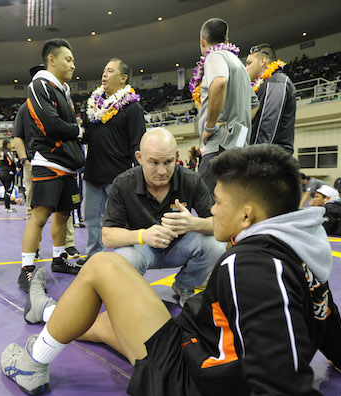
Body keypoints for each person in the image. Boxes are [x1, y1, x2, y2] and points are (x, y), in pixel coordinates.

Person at [0, 144, 341, 396]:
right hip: (199, 345)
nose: (214, 210)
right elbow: (324, 308)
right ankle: (49, 312)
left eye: (219, 203)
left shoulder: (250, 267)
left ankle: (34, 361)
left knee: (99, 267)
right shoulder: (302, 245)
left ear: (247, 214)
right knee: (111, 324)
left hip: (191, 382)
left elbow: (283, 388)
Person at [101, 128, 225, 306]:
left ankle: (184, 285)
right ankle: (135, 291)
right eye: (153, 163)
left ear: (176, 156)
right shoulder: (122, 184)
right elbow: (107, 236)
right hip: (142, 249)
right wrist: (143, 236)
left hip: (180, 246)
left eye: (168, 162)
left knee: (216, 245)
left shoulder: (191, 180)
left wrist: (193, 223)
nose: (162, 171)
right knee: (123, 257)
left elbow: (219, 224)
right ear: (139, 157)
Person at [17, 38, 85, 292]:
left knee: (64, 213)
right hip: (49, 161)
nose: (73, 65)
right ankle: (26, 268)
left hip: (67, 165)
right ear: (51, 59)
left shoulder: (62, 90)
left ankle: (59, 259)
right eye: (68, 59)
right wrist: (77, 130)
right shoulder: (39, 85)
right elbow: (51, 125)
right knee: (40, 216)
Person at [79, 58, 146, 266]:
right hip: (93, 174)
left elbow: (138, 143)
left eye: (109, 71)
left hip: (119, 177)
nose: (104, 75)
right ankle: (94, 258)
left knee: (121, 222)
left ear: (123, 78)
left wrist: (140, 176)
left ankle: (126, 259)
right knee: (91, 220)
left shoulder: (132, 108)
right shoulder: (93, 107)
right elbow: (86, 137)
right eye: (103, 71)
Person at [12, 64, 81, 260]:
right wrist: (25, 159)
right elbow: (18, 136)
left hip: (64, 162)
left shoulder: (63, 99)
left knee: (64, 211)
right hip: (40, 161)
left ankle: (63, 251)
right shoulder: (27, 105)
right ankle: (31, 256)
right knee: (37, 212)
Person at [194, 18, 259, 193]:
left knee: (209, 206)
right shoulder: (239, 65)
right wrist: (238, 124)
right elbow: (254, 104)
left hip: (219, 147)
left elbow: (220, 82)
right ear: (227, 40)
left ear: (202, 41)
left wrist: (210, 125)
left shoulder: (214, 56)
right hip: (239, 144)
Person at [245, 43, 297, 154]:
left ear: (262, 61)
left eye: (249, 63)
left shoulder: (277, 81)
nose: (246, 68)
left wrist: (254, 158)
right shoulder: (267, 83)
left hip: (271, 159)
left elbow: (266, 127)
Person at [0, 139, 18, 213]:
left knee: (6, 189)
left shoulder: (0, 152)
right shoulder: (8, 152)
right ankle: (7, 208)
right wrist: (15, 166)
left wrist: (1, 170)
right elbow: (11, 162)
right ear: (7, 144)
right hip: (9, 173)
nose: (11, 145)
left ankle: (7, 207)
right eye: (10, 144)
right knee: (8, 190)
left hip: (1, 173)